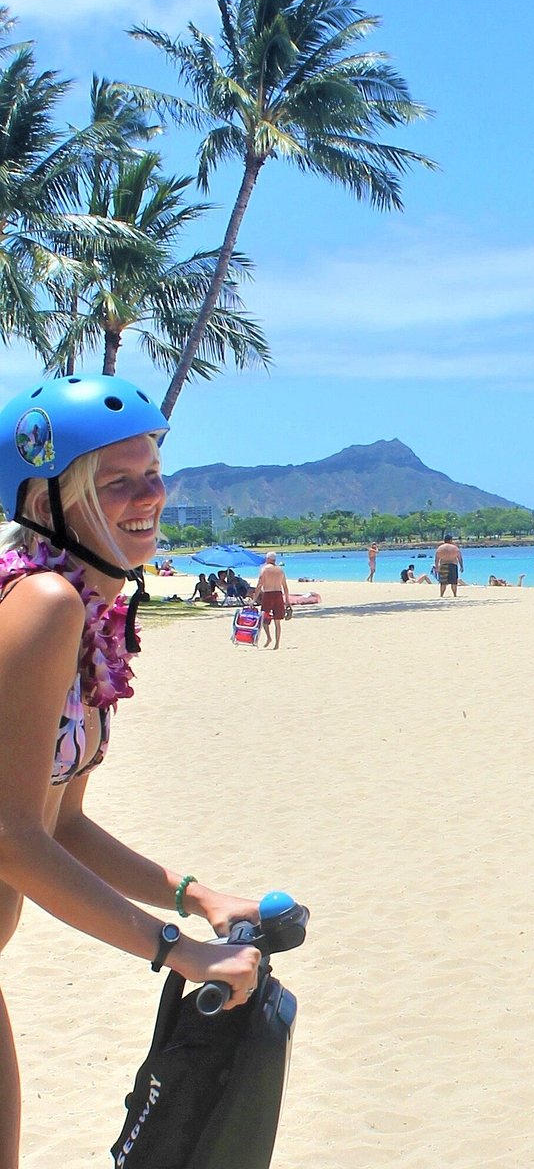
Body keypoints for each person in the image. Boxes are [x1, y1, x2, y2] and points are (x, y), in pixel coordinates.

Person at [0, 375, 261, 1164]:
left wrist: (195, 895)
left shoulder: (89, 614)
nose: (149, 495)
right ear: (48, 502)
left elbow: (62, 825)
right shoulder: (43, 604)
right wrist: (172, 947)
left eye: (153, 473)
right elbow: (10, 838)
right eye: (117, 482)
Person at [253, 552, 290, 649]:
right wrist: (287, 601)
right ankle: (277, 644)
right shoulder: (280, 570)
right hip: (278, 594)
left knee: (264, 620)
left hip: (268, 594)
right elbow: (285, 587)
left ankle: (269, 638)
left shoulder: (264, 569)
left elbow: (259, 585)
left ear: (267, 559)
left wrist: (254, 600)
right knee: (277, 622)